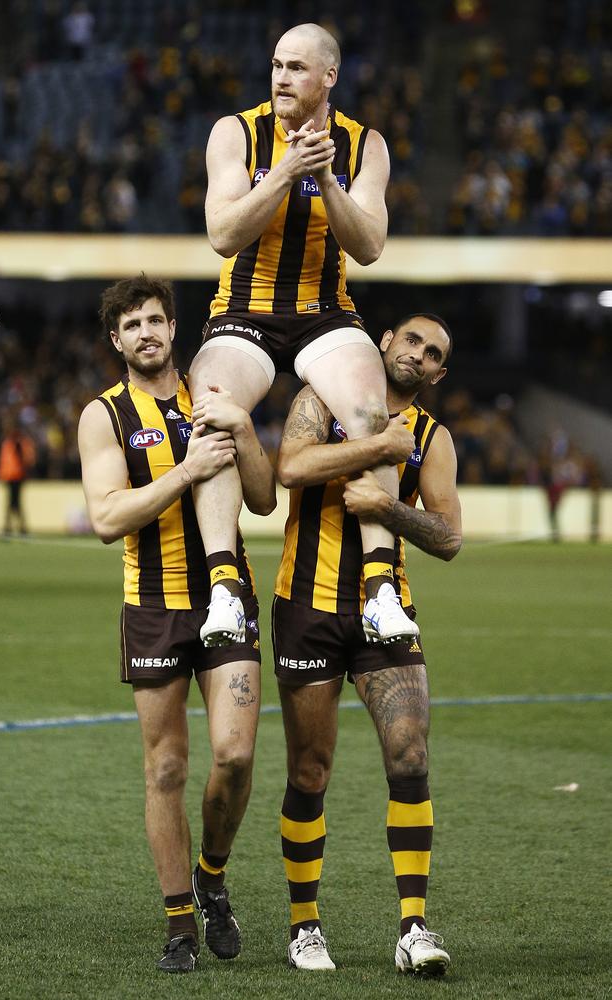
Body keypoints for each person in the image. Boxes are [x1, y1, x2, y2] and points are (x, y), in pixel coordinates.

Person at [190, 21, 416, 650]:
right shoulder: (236, 132)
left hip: (324, 311)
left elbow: (369, 247)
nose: (281, 77)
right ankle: (225, 589)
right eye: (276, 65)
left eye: (296, 67)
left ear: (329, 78)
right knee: (210, 404)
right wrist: (287, 170)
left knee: (372, 409)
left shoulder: (365, 144)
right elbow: (223, 234)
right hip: (245, 308)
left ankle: (380, 589)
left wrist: (327, 183)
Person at [77, 275, 276, 974]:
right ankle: (178, 926)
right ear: (116, 340)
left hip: (228, 597)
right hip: (154, 607)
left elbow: (260, 496)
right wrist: (184, 472)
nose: (145, 334)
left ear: (173, 328)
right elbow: (106, 518)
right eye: (131, 326)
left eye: (154, 321)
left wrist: (244, 431)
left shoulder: (213, 395)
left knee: (236, 755)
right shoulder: (104, 415)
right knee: (165, 767)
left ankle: (212, 876)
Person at [272, 314, 462, 974]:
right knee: (309, 771)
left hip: (388, 615)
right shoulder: (321, 396)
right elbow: (289, 466)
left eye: (432, 353)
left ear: (438, 375)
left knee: (410, 756)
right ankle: (305, 926)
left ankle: (414, 928)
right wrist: (374, 451)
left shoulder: (432, 440)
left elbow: (448, 536)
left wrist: (389, 510)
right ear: (384, 342)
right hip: (308, 606)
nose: (417, 354)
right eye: (411, 340)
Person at [0, 415, 36, 535]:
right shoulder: (9, 441)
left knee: (14, 503)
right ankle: (16, 528)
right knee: (13, 503)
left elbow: (25, 459)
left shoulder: (16, 442)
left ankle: (14, 528)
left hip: (16, 476)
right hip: (10, 475)